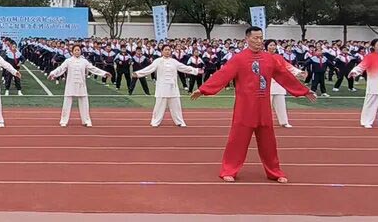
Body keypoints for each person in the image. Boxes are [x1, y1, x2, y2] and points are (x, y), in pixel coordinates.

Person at [191, 26, 316, 183]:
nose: (259, 41)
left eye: (261, 38)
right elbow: (223, 75)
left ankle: (274, 171)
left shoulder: (269, 59)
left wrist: (303, 91)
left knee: (268, 142)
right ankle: (229, 169)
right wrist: (203, 89)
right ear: (247, 39)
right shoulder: (239, 59)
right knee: (237, 140)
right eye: (256, 38)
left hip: (263, 107)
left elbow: (284, 76)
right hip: (245, 108)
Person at [132, 44, 203, 127]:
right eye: (165, 50)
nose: (167, 51)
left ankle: (179, 122)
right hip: (162, 87)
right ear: (162, 51)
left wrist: (196, 70)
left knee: (176, 106)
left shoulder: (174, 61)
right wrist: (138, 74)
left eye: (169, 50)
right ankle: (155, 121)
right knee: (159, 106)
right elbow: (149, 69)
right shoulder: (158, 61)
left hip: (173, 87)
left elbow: (184, 68)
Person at [47, 44, 110, 127]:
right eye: (75, 50)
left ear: (81, 51)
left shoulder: (84, 61)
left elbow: (93, 68)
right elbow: (61, 68)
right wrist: (52, 73)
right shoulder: (68, 61)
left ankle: (86, 121)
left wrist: (104, 73)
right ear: (72, 52)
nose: (77, 52)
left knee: (84, 103)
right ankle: (63, 121)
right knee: (66, 103)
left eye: (78, 50)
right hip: (70, 84)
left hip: (81, 84)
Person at [265, 40, 307, 128]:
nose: (272, 47)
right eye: (270, 45)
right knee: (266, 106)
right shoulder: (263, 56)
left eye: (274, 45)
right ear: (266, 46)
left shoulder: (279, 57)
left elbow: (288, 66)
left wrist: (299, 72)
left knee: (281, 104)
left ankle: (284, 122)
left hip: (280, 83)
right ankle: (265, 122)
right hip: (267, 84)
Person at [348, 39, 378, 128]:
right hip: (374, 83)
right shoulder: (370, 57)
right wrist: (354, 71)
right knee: (371, 103)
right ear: (373, 46)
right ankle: (366, 121)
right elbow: (361, 66)